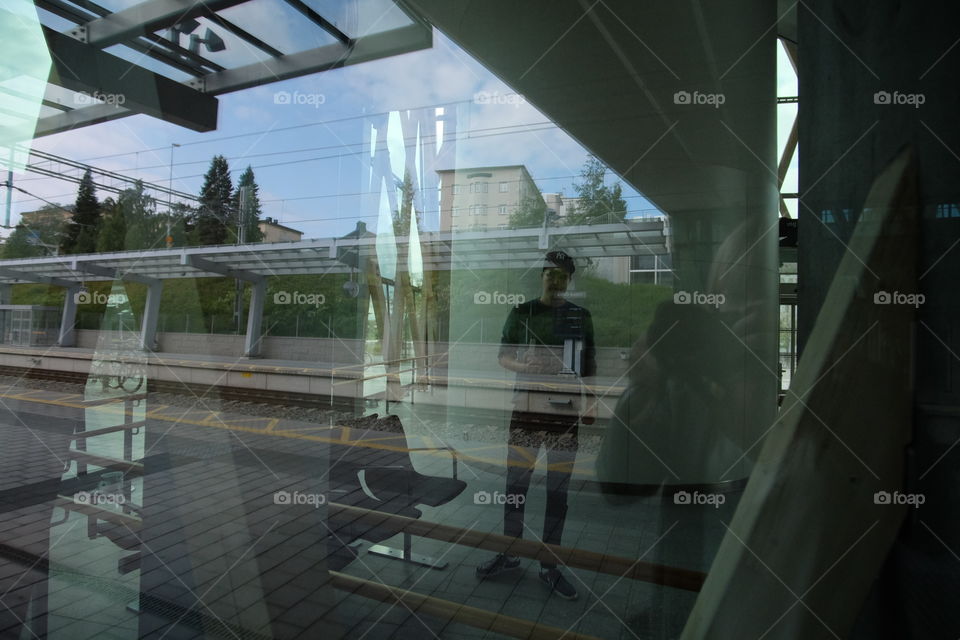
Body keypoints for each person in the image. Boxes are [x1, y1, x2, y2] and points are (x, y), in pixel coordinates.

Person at [475, 250, 596, 600]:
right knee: (516, 482)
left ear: (568, 280)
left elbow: (589, 364)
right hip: (526, 408)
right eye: (549, 274)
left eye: (562, 275)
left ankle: (549, 563)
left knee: (558, 490)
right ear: (541, 276)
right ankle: (512, 552)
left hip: (564, 412)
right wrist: (525, 366)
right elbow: (503, 356)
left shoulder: (580, 316)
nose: (555, 280)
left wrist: (588, 400)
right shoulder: (521, 312)